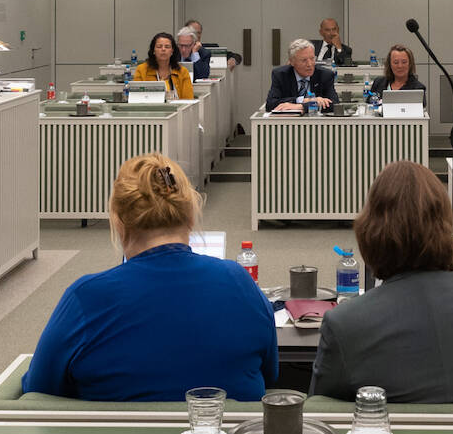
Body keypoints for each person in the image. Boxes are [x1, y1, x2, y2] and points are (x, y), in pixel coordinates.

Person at [22, 153, 277, 400]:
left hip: (109, 432)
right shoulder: (240, 281)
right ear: (190, 216)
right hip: (222, 430)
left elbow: (38, 390)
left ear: (118, 221)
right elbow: (270, 374)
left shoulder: (86, 298)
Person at [311, 162, 453, 403]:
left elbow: (320, 408)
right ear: (446, 225)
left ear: (369, 231)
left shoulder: (344, 322)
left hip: (385, 428)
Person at [265, 39, 338, 112]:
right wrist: (302, 100)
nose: (309, 64)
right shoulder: (281, 75)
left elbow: (335, 105)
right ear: (292, 62)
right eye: (304, 60)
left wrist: (301, 106)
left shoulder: (325, 75)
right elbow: (270, 104)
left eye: (312, 58)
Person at [133, 31, 194, 99]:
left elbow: (188, 100)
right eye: (159, 46)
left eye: (167, 47)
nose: (163, 49)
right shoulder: (142, 70)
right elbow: (136, 97)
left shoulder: (182, 72)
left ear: (172, 51)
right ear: (153, 51)